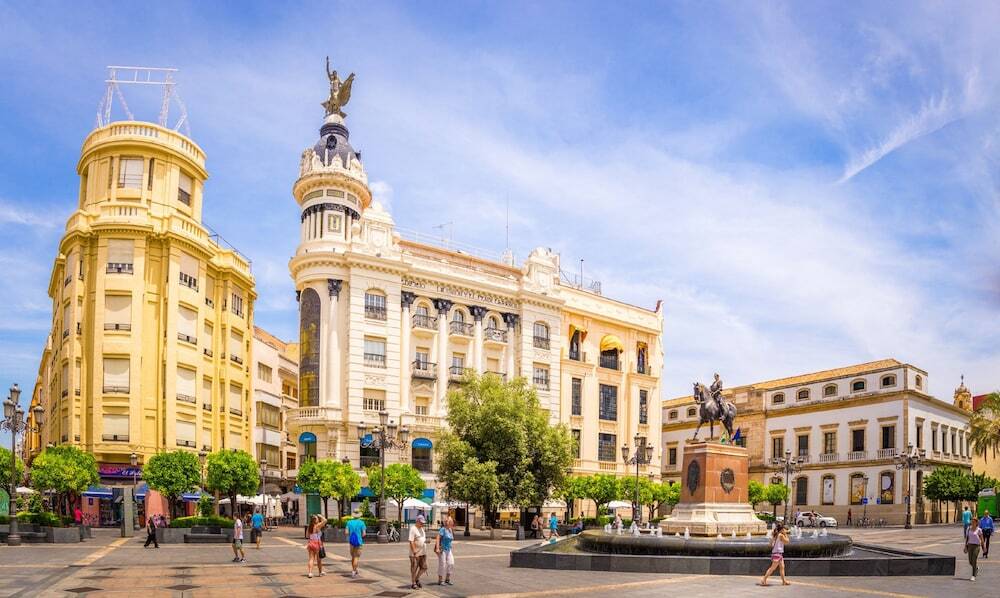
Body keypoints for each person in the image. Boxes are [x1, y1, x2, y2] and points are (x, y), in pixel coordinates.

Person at [434, 515, 456, 586]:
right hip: (442, 549)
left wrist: (450, 545)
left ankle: (447, 579)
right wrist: (437, 548)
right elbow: (438, 538)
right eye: (451, 521)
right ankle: (440, 580)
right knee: (442, 564)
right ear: (447, 522)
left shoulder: (450, 530)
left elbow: (450, 539)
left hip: (448, 549)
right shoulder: (443, 529)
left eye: (452, 521)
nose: (452, 522)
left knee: (451, 563)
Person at [408, 514, 428, 590]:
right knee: (414, 568)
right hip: (415, 553)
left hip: (423, 552)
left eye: (423, 523)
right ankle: (413, 583)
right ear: (417, 521)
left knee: (424, 567)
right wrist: (415, 552)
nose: (423, 524)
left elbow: (422, 539)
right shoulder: (413, 529)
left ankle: (416, 579)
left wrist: (425, 541)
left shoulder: (422, 529)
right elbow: (411, 541)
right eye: (421, 522)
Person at [346, 510, 367, 578]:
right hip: (359, 542)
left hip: (351, 542)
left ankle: (354, 569)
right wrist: (360, 536)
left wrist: (351, 535)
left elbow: (346, 532)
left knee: (353, 557)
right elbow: (364, 534)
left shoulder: (349, 522)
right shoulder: (361, 523)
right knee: (356, 557)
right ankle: (354, 571)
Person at [306, 514, 327, 578]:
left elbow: (307, 536)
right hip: (317, 543)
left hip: (310, 543)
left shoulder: (309, 527)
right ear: (315, 520)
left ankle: (310, 573)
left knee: (311, 559)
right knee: (319, 559)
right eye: (317, 519)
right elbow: (325, 520)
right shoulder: (318, 526)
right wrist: (320, 516)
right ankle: (320, 572)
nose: (318, 519)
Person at [965, 516, 984, 581]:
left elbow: (982, 539)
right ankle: (976, 568)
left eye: (973, 522)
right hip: (970, 545)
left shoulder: (979, 530)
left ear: (976, 523)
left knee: (974, 560)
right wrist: (965, 547)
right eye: (971, 522)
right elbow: (967, 538)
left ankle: (973, 575)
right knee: (970, 561)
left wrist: (984, 547)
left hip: (977, 546)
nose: (972, 523)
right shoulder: (968, 529)